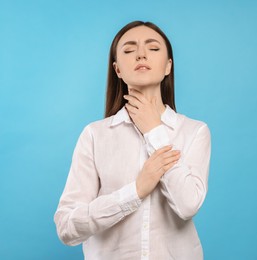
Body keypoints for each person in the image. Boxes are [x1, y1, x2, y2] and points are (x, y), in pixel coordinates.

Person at [54, 21, 211, 259]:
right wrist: (135, 192)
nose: (140, 54)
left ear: (168, 66)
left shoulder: (194, 131)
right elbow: (67, 228)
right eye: (129, 50)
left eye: (153, 48)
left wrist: (154, 131)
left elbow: (188, 205)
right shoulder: (95, 135)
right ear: (117, 70)